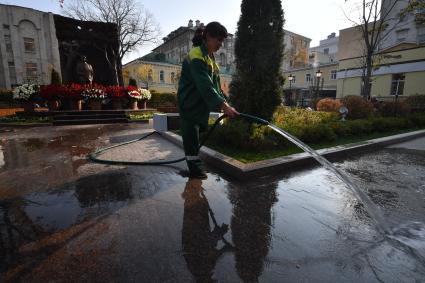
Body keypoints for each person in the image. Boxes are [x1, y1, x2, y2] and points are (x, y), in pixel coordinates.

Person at [177, 22, 239, 179]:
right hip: (189, 104)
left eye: (222, 41)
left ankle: (195, 167)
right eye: (218, 40)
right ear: (208, 37)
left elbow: (216, 86)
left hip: (200, 105)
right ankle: (195, 171)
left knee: (195, 138)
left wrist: (226, 103)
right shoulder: (196, 55)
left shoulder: (211, 60)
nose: (220, 44)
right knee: (191, 139)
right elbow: (204, 84)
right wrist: (223, 105)